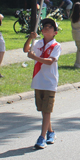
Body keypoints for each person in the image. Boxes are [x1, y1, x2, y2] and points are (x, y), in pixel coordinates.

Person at [23, 18, 62, 149]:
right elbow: (26, 49)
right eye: (45, 26)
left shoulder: (56, 46)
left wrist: (35, 58)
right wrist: (30, 38)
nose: (47, 28)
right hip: (38, 80)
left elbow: (50, 61)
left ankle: (42, 137)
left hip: (49, 82)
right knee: (43, 110)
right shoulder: (37, 43)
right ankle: (51, 131)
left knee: (46, 110)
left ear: (55, 32)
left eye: (50, 27)